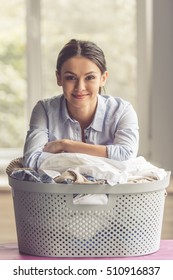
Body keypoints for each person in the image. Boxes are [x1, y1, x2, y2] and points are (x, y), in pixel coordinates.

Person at [23, 39, 139, 170]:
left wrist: (65, 145)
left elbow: (127, 156)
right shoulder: (44, 110)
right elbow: (32, 160)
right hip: (57, 191)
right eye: (71, 78)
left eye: (90, 78)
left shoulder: (122, 111)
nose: (80, 87)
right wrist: (106, 158)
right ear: (59, 78)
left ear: (103, 78)